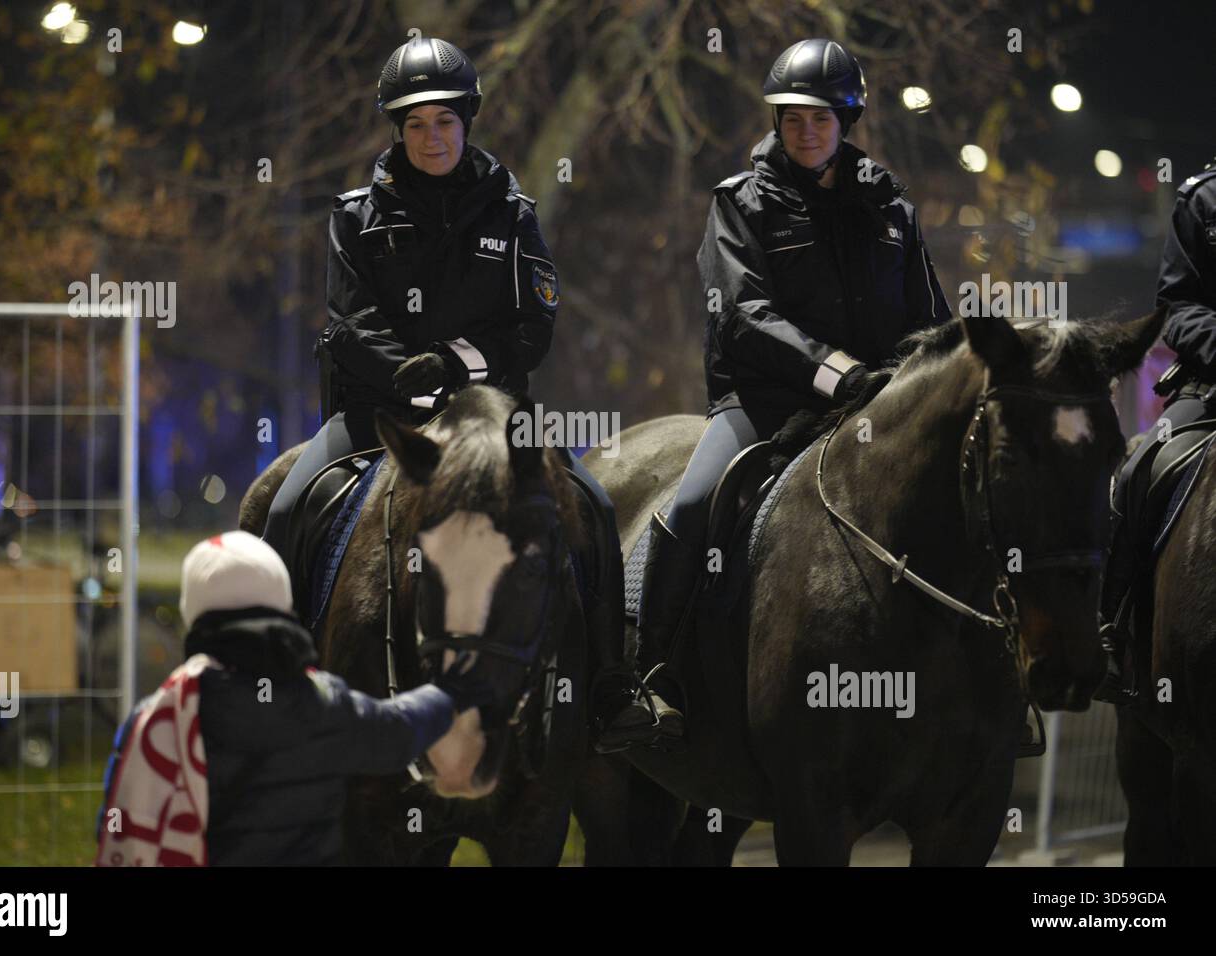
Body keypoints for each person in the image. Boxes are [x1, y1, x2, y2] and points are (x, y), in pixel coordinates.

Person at [259, 35, 631, 752]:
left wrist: (450, 366)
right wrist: (407, 373)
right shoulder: (353, 215)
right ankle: (282, 678)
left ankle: (611, 686)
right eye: (416, 123)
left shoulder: (513, 214)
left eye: (444, 121)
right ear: (398, 131)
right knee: (285, 505)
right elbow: (348, 322)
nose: (432, 136)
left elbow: (532, 327)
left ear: (468, 122)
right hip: (377, 412)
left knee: (595, 502)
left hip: (489, 416)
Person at [597, 38, 951, 751]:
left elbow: (930, 319)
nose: (804, 130)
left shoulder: (891, 208)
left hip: (878, 406)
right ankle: (649, 676)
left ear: (846, 117)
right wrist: (836, 372)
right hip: (763, 405)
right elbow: (743, 315)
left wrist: (923, 382)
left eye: (819, 117)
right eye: (790, 117)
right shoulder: (741, 204)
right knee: (694, 504)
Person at [95, 531, 491, 866]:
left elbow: (117, 824)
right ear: (282, 602)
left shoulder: (159, 718)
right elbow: (398, 732)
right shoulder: (322, 702)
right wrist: (451, 691)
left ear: (193, 612)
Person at [1099, 157, 1216, 701]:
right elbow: (1178, 304)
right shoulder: (1202, 199)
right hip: (1212, 388)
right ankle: (1109, 627)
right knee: (1144, 468)